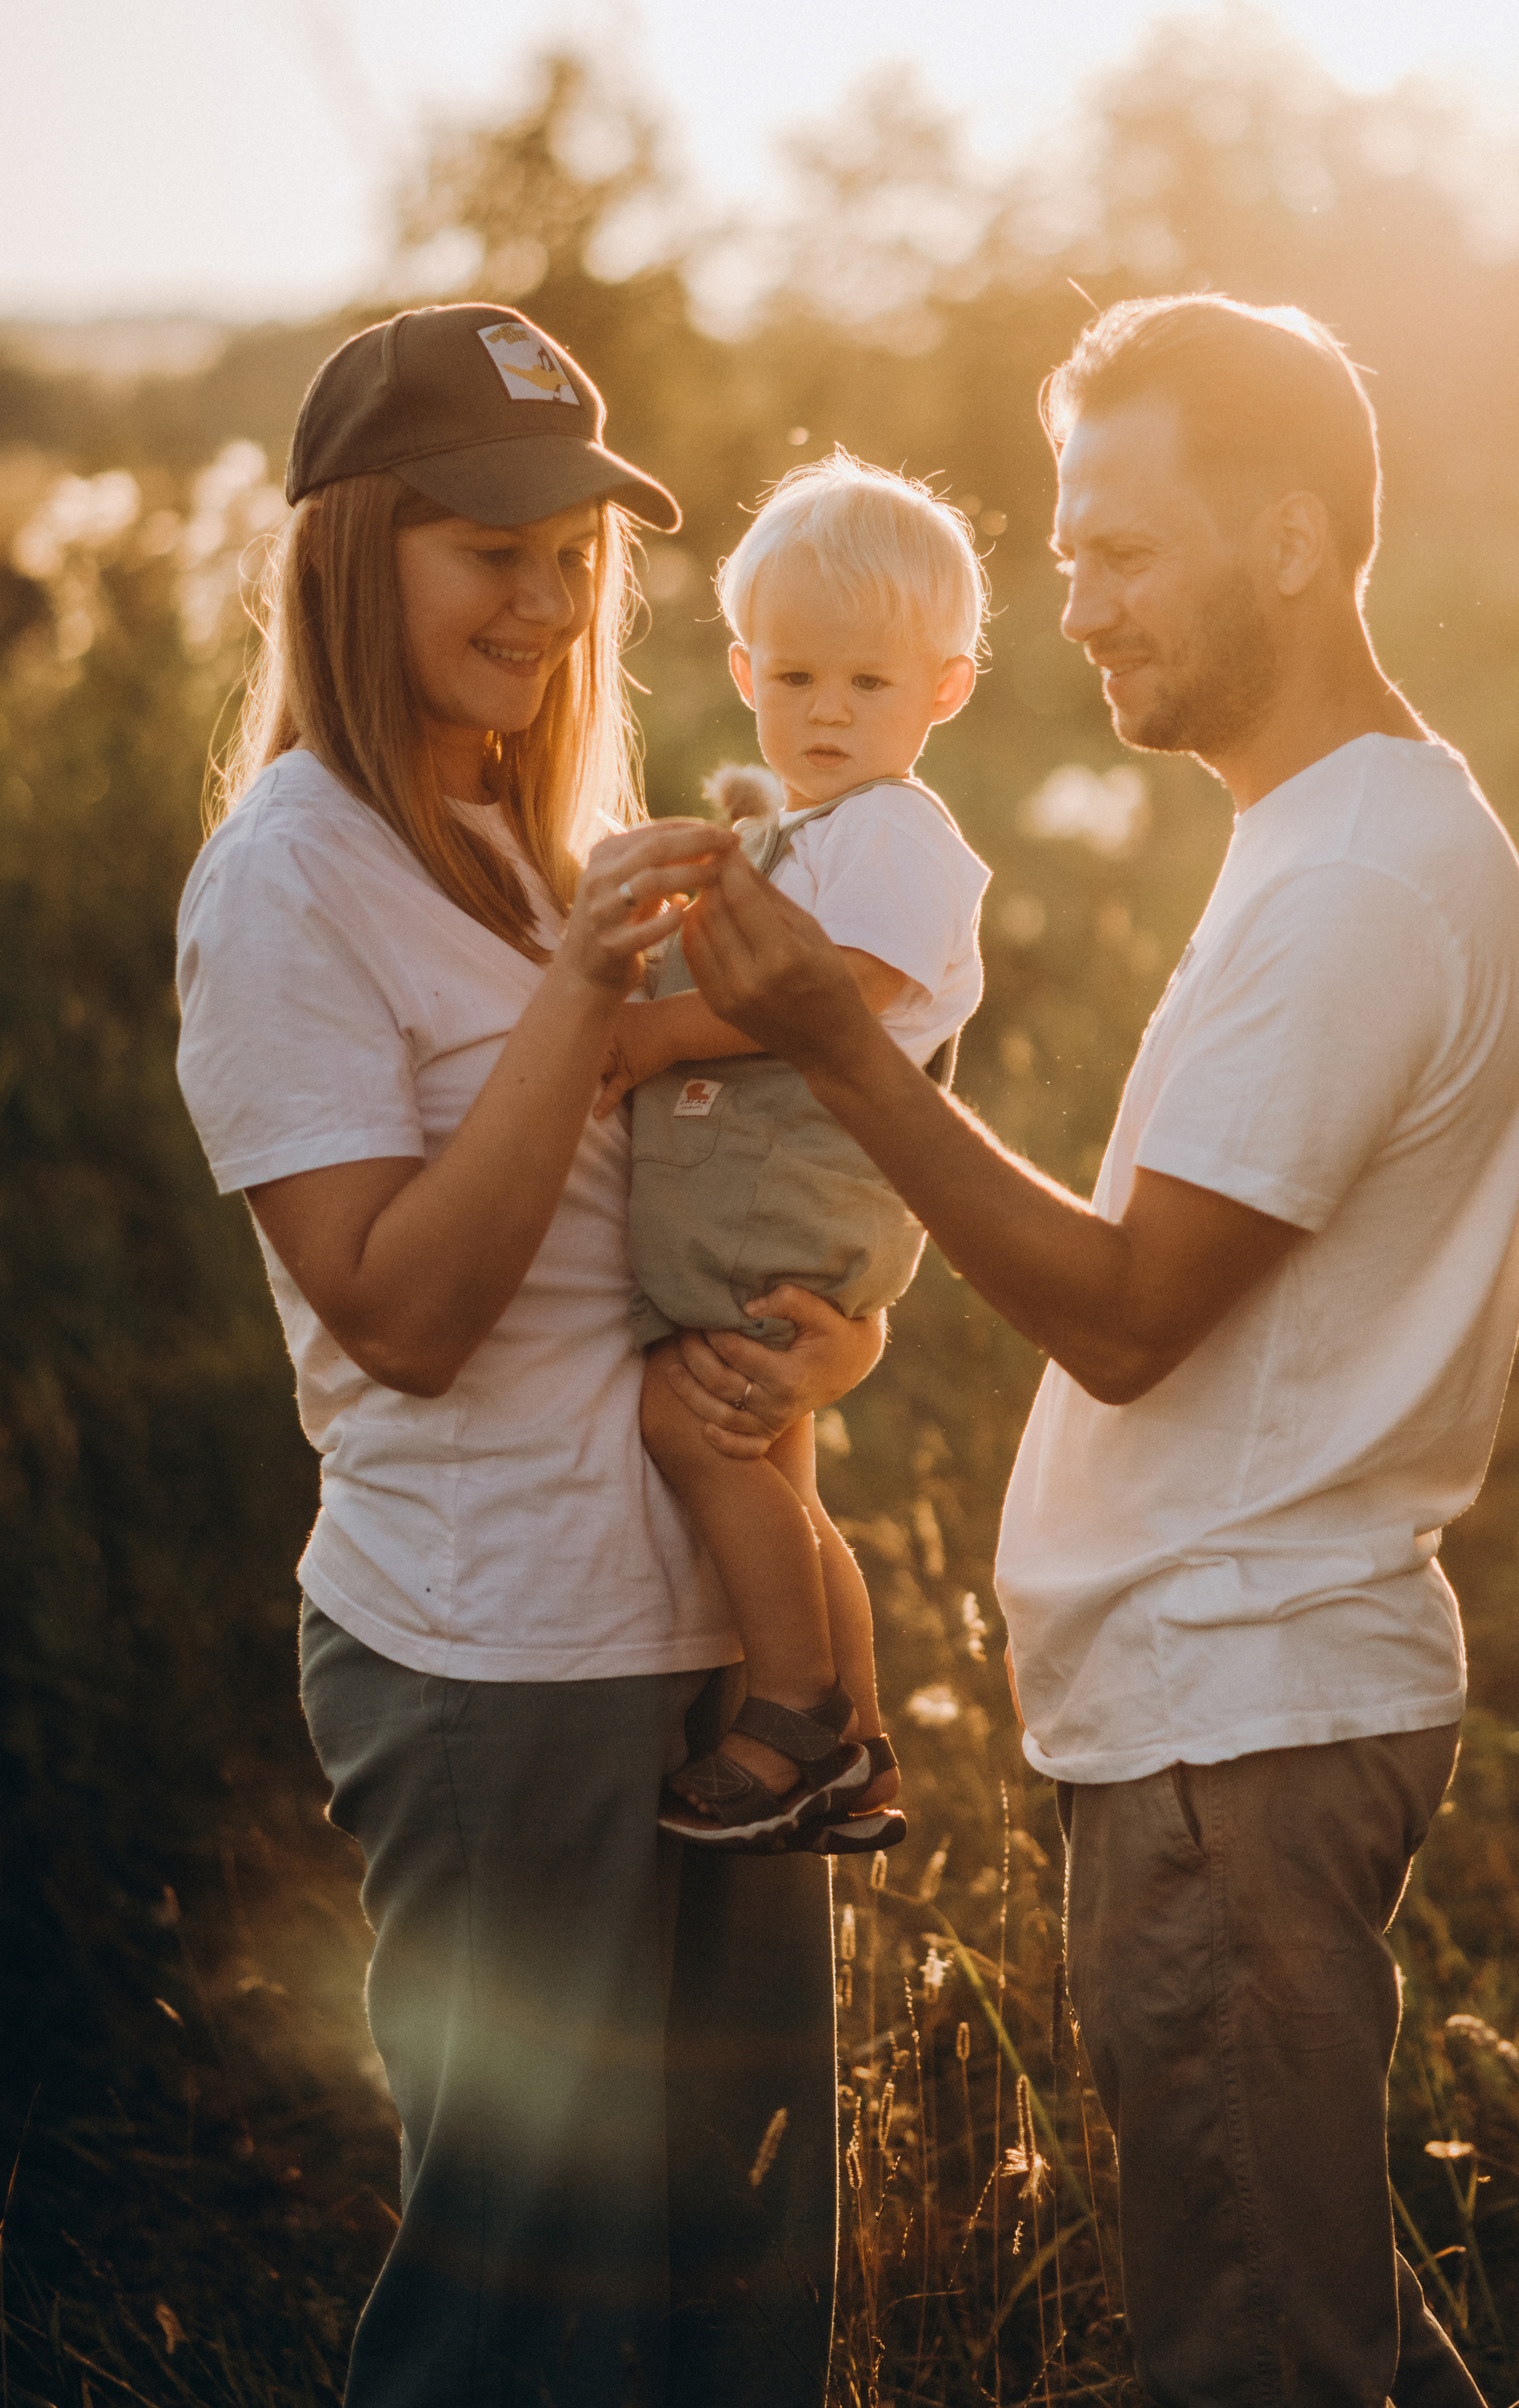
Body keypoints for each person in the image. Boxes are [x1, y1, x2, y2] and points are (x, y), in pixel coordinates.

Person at [664, 293, 1519, 2408]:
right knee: (1327, 2333)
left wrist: (832, 1049)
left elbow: (1131, 1314)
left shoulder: (1358, 880)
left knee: (1259, 2353)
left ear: (1294, 539)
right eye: (1064, 554)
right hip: (1211, 1709)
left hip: (1235, 1721)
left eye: (1124, 550)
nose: (1078, 604)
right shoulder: (1327, 839)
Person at [174, 301, 883, 2408]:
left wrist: (815, 1347)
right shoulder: (289, 882)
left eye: (575, 544)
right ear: (351, 552)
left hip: (707, 1645)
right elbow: (395, 1316)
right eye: (489, 544)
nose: (549, 587)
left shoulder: (538, 829)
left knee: (735, 2264)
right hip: (497, 1666)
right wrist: (583, 996)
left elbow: (664, 1215)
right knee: (525, 2294)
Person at [596, 452, 990, 1855]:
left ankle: (794, 1704)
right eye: (799, 676)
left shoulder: (897, 833)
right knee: (777, 1470)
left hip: (796, 1202)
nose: (827, 711)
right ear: (748, 665)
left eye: (869, 684)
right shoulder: (801, 828)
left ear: (944, 688)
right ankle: (860, 1748)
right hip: (758, 1205)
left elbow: (840, 993)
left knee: (686, 1426)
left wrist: (654, 1040)